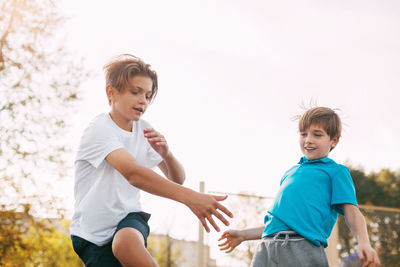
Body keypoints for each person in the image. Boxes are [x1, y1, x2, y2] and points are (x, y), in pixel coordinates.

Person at [70, 54, 233, 267]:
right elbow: (133, 173)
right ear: (111, 92)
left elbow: (177, 180)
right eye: (135, 92)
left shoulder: (144, 130)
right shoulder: (99, 129)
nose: (142, 101)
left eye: (147, 96)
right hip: (92, 235)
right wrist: (190, 198)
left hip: (128, 219)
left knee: (125, 241)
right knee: (119, 246)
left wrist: (167, 155)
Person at [218, 107, 380, 267]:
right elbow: (277, 224)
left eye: (317, 134)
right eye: (303, 134)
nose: (308, 139)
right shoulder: (290, 172)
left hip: (301, 248)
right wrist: (243, 235)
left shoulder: (336, 172)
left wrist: (364, 242)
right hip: (267, 248)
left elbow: (352, 212)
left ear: (334, 140)